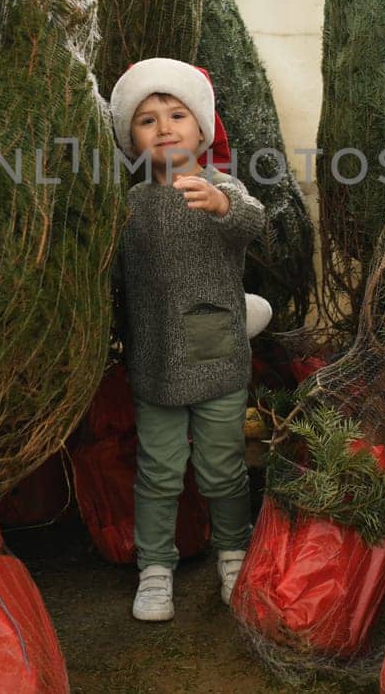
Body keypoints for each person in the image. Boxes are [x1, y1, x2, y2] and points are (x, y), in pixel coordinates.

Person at [107, 57, 268, 622]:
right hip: (154, 358)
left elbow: (255, 222)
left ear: (201, 129)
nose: (166, 126)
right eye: (148, 120)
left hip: (216, 351)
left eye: (178, 114)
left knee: (223, 466)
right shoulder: (128, 207)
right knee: (159, 469)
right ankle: (155, 568)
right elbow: (116, 278)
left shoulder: (221, 188)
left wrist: (224, 205)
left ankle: (233, 552)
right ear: (132, 138)